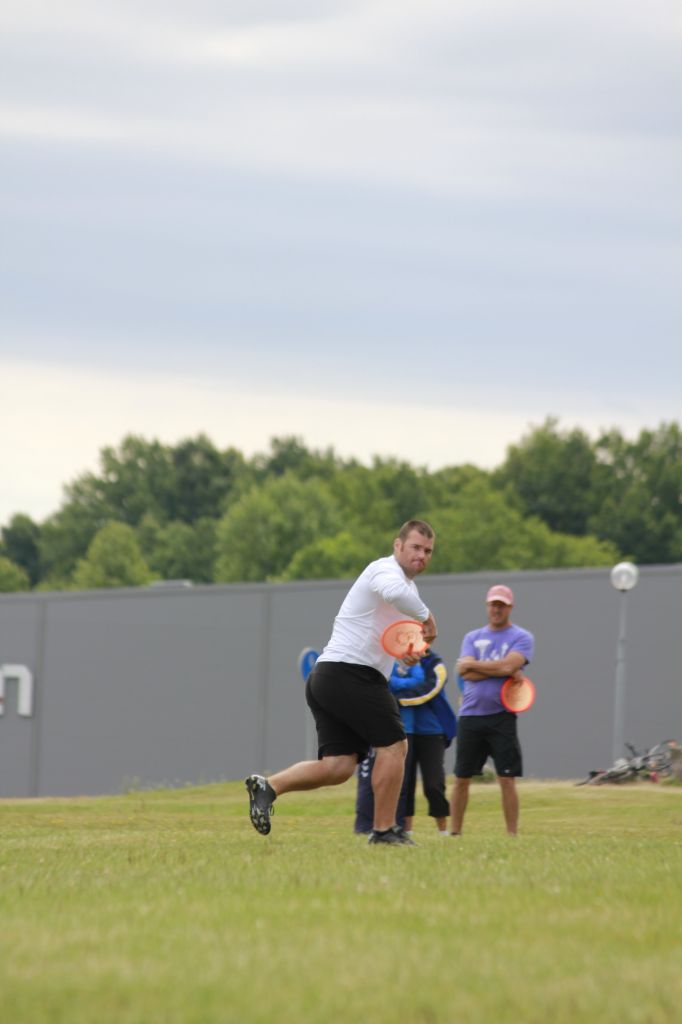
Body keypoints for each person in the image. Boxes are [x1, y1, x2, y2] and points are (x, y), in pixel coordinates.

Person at [245, 519, 438, 846]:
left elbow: (391, 636)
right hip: (350, 674)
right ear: (398, 546)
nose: (421, 555)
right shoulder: (384, 571)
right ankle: (383, 831)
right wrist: (428, 618)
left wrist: (407, 652)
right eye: (416, 547)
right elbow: (396, 596)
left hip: (330, 676)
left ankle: (268, 787)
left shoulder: (408, 590)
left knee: (338, 766)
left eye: (428, 551)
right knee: (394, 746)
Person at [450, 584, 534, 837]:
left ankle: (511, 835)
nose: (496, 609)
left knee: (506, 778)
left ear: (510, 607)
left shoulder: (522, 637)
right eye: (493, 604)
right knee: (462, 777)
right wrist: (501, 668)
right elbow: (464, 672)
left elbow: (508, 666)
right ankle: (455, 833)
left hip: (501, 716)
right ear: (487, 606)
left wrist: (477, 666)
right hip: (470, 715)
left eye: (502, 605)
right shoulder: (472, 637)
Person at [354, 649, 456, 836]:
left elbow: (427, 688)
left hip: (432, 732)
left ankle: (443, 830)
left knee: (434, 784)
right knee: (404, 783)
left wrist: (393, 698)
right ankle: (405, 829)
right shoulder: (391, 658)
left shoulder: (434, 663)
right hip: (406, 731)